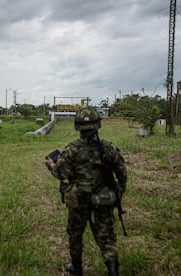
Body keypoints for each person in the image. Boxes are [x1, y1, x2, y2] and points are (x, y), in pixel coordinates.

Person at [45, 106, 127, 276]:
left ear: (77, 126)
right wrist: (120, 190)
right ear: (98, 125)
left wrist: (50, 164)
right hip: (103, 199)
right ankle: (113, 272)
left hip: (79, 199)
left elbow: (60, 174)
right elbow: (121, 171)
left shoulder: (72, 150)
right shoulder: (107, 148)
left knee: (75, 233)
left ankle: (77, 268)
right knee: (106, 237)